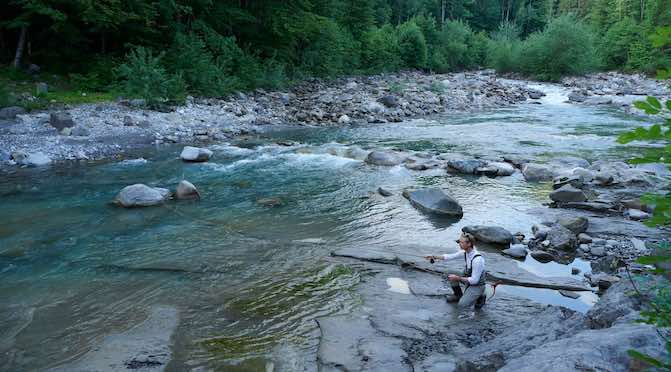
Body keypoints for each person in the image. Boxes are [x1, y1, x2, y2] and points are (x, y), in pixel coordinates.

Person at [425, 232, 487, 309]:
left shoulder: (477, 260)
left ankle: (481, 296)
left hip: (477, 285)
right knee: (449, 273)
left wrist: (458, 278)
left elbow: (474, 280)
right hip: (468, 279)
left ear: (469, 244)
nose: (459, 244)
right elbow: (449, 257)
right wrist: (433, 256)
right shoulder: (465, 252)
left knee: (462, 305)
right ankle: (458, 295)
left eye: (461, 242)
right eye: (459, 242)